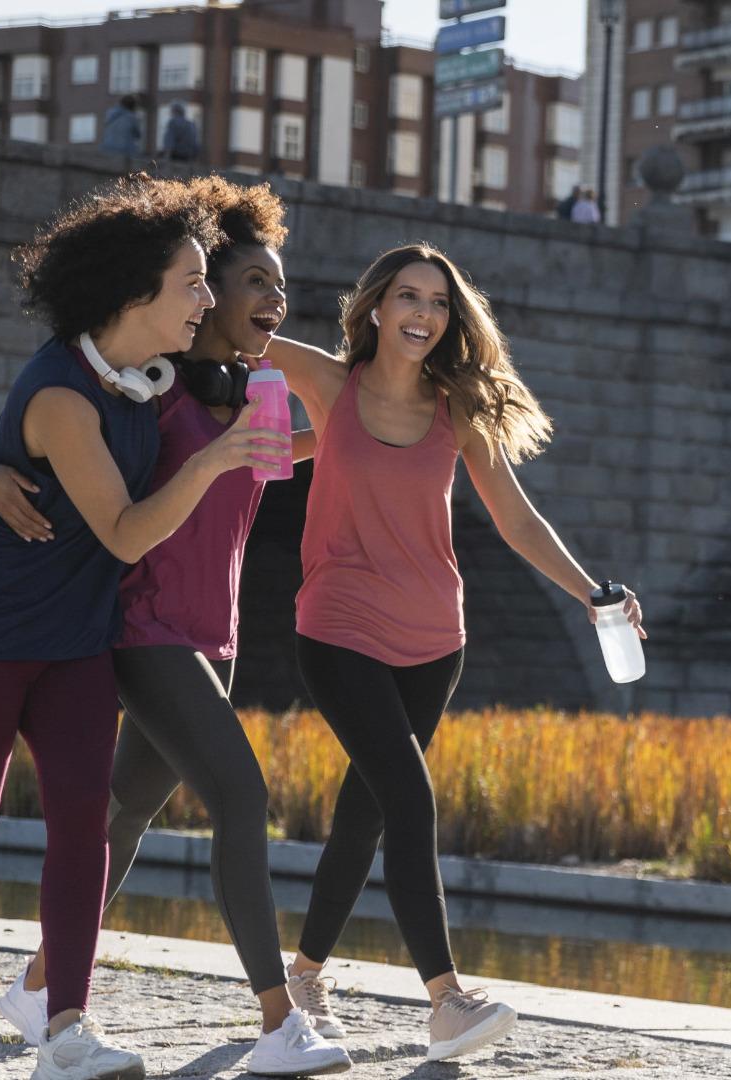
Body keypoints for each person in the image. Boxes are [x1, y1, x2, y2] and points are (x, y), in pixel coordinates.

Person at [0, 174, 287, 1078]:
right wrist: (220, 458)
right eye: (191, 281)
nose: (205, 297)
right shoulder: (64, 394)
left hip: (75, 642)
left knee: (83, 826)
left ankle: (65, 1030)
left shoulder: (151, 377)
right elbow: (123, 528)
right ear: (132, 294)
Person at [262, 243, 644, 1062]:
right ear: (374, 308)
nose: (424, 315)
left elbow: (516, 519)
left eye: (438, 303)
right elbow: (217, 329)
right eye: (408, 297)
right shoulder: (327, 381)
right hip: (336, 625)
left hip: (435, 641)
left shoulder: (455, 408)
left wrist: (592, 594)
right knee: (409, 798)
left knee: (365, 814)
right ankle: (447, 1001)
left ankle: (303, 977)